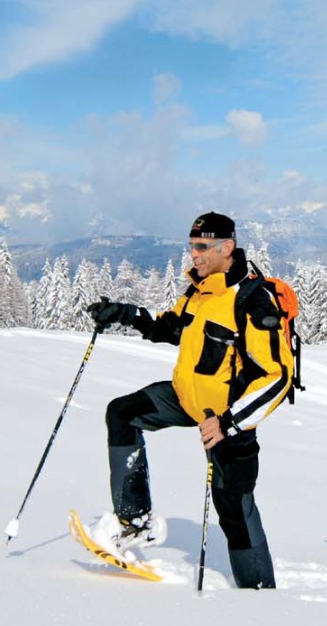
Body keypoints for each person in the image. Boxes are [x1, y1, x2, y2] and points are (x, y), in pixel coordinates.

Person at [86, 211, 291, 589]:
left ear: (226, 247)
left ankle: (260, 593)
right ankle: (134, 522)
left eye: (201, 246)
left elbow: (277, 377)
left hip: (229, 420)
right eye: (191, 245)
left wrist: (229, 422)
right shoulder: (199, 291)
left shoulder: (252, 300)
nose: (193, 254)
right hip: (185, 398)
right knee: (123, 413)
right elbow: (169, 327)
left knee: (234, 509)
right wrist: (125, 314)